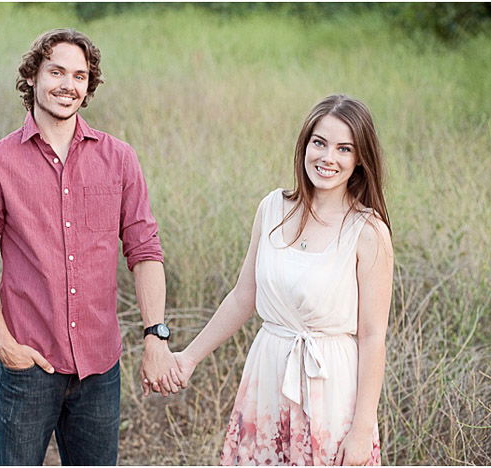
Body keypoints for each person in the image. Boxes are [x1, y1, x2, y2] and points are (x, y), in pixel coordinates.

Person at [0, 28, 178, 466]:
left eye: (79, 76)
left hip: (100, 368)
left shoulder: (119, 159)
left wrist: (156, 335)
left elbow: (145, 251)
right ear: (32, 78)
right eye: (56, 71)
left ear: (89, 86)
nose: (67, 85)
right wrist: (4, 344)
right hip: (28, 365)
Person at [158, 95, 393, 465]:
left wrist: (362, 427)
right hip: (267, 374)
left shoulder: (367, 231)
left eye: (343, 148)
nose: (327, 158)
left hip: (331, 388)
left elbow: (372, 335)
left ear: (359, 158)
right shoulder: (273, 208)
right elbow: (243, 297)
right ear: (305, 145)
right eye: (320, 143)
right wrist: (188, 358)